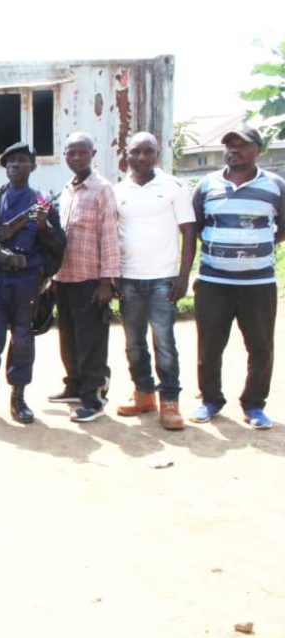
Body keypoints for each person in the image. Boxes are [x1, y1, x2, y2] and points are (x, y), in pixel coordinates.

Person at [190, 124, 284, 429]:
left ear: (258, 149)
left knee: (260, 347)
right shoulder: (206, 185)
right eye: (229, 145)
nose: (233, 151)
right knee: (209, 346)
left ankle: (254, 405)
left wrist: (259, 245)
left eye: (241, 145)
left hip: (258, 285)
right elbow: (197, 227)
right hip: (214, 283)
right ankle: (210, 400)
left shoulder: (275, 186)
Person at [0, 142, 66, 425]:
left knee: (23, 340)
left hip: (26, 282)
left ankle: (18, 397)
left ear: (33, 166)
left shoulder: (43, 202)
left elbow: (59, 245)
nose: (15, 165)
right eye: (10, 161)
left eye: (23, 160)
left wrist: (45, 227)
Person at [113, 133, 196, 430]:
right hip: (129, 279)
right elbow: (112, 235)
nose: (142, 157)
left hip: (163, 279)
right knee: (134, 343)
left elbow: (189, 232)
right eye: (136, 152)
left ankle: (170, 402)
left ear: (158, 155)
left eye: (149, 152)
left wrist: (183, 275)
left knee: (164, 342)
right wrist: (113, 275)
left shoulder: (174, 187)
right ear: (127, 154)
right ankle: (144, 394)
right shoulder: (118, 190)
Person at [50, 132, 119, 422]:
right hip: (65, 277)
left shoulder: (102, 189)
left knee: (91, 340)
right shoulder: (67, 188)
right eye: (70, 153)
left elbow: (110, 236)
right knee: (68, 337)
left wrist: (107, 282)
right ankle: (75, 386)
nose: (76, 157)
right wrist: (52, 277)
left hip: (91, 280)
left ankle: (93, 398)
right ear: (64, 155)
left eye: (81, 152)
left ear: (92, 154)